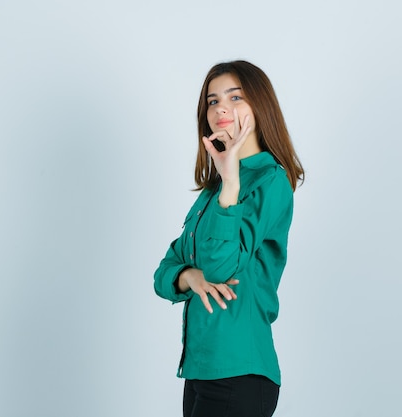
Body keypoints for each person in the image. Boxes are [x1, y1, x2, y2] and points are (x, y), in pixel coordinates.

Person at [154, 60, 304, 417]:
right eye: (212, 100)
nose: (221, 107)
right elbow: (164, 273)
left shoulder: (269, 181)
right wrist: (188, 276)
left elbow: (221, 268)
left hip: (240, 370)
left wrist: (232, 182)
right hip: (200, 370)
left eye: (235, 97)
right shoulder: (214, 191)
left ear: (259, 106)